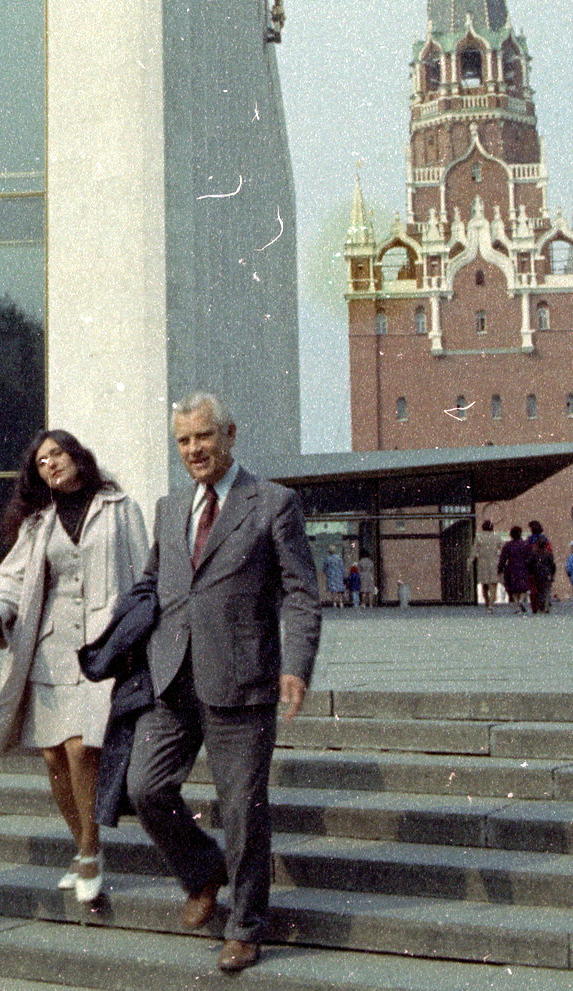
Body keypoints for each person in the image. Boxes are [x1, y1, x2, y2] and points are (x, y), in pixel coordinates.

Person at [128, 393, 320, 975]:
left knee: (241, 808)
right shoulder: (167, 508)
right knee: (145, 787)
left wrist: (297, 665)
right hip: (171, 676)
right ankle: (204, 870)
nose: (194, 451)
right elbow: (151, 583)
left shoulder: (272, 503)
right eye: (183, 441)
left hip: (242, 677)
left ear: (229, 435)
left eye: (203, 438)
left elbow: (302, 593)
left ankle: (245, 926)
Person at [0, 429, 151, 905]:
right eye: (40, 461)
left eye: (56, 454)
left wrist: (141, 638)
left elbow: (143, 576)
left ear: (77, 456)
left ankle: (91, 851)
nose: (49, 464)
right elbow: (11, 576)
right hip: (50, 645)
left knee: (81, 748)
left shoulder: (120, 508)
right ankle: (82, 846)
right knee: (52, 753)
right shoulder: (39, 523)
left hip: (103, 647)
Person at [498, 525, 532, 614]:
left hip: (511, 568)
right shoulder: (525, 545)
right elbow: (530, 557)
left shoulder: (508, 545)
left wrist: (500, 569)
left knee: (513, 589)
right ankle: (521, 600)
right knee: (524, 588)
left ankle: (517, 605)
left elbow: (503, 558)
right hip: (523, 568)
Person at [475, 519, 506, 613]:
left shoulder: (479, 538)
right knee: (493, 584)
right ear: (492, 528)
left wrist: (470, 561)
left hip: (482, 563)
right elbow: (503, 548)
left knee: (484, 584)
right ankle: (491, 604)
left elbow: (474, 551)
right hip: (494, 562)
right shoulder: (497, 537)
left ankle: (487, 602)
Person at [525, 522, 556, 614]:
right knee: (546, 590)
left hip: (535, 572)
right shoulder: (546, 542)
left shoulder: (529, 541)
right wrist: (552, 572)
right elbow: (552, 563)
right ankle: (546, 605)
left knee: (535, 590)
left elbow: (528, 559)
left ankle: (537, 606)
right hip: (546, 572)